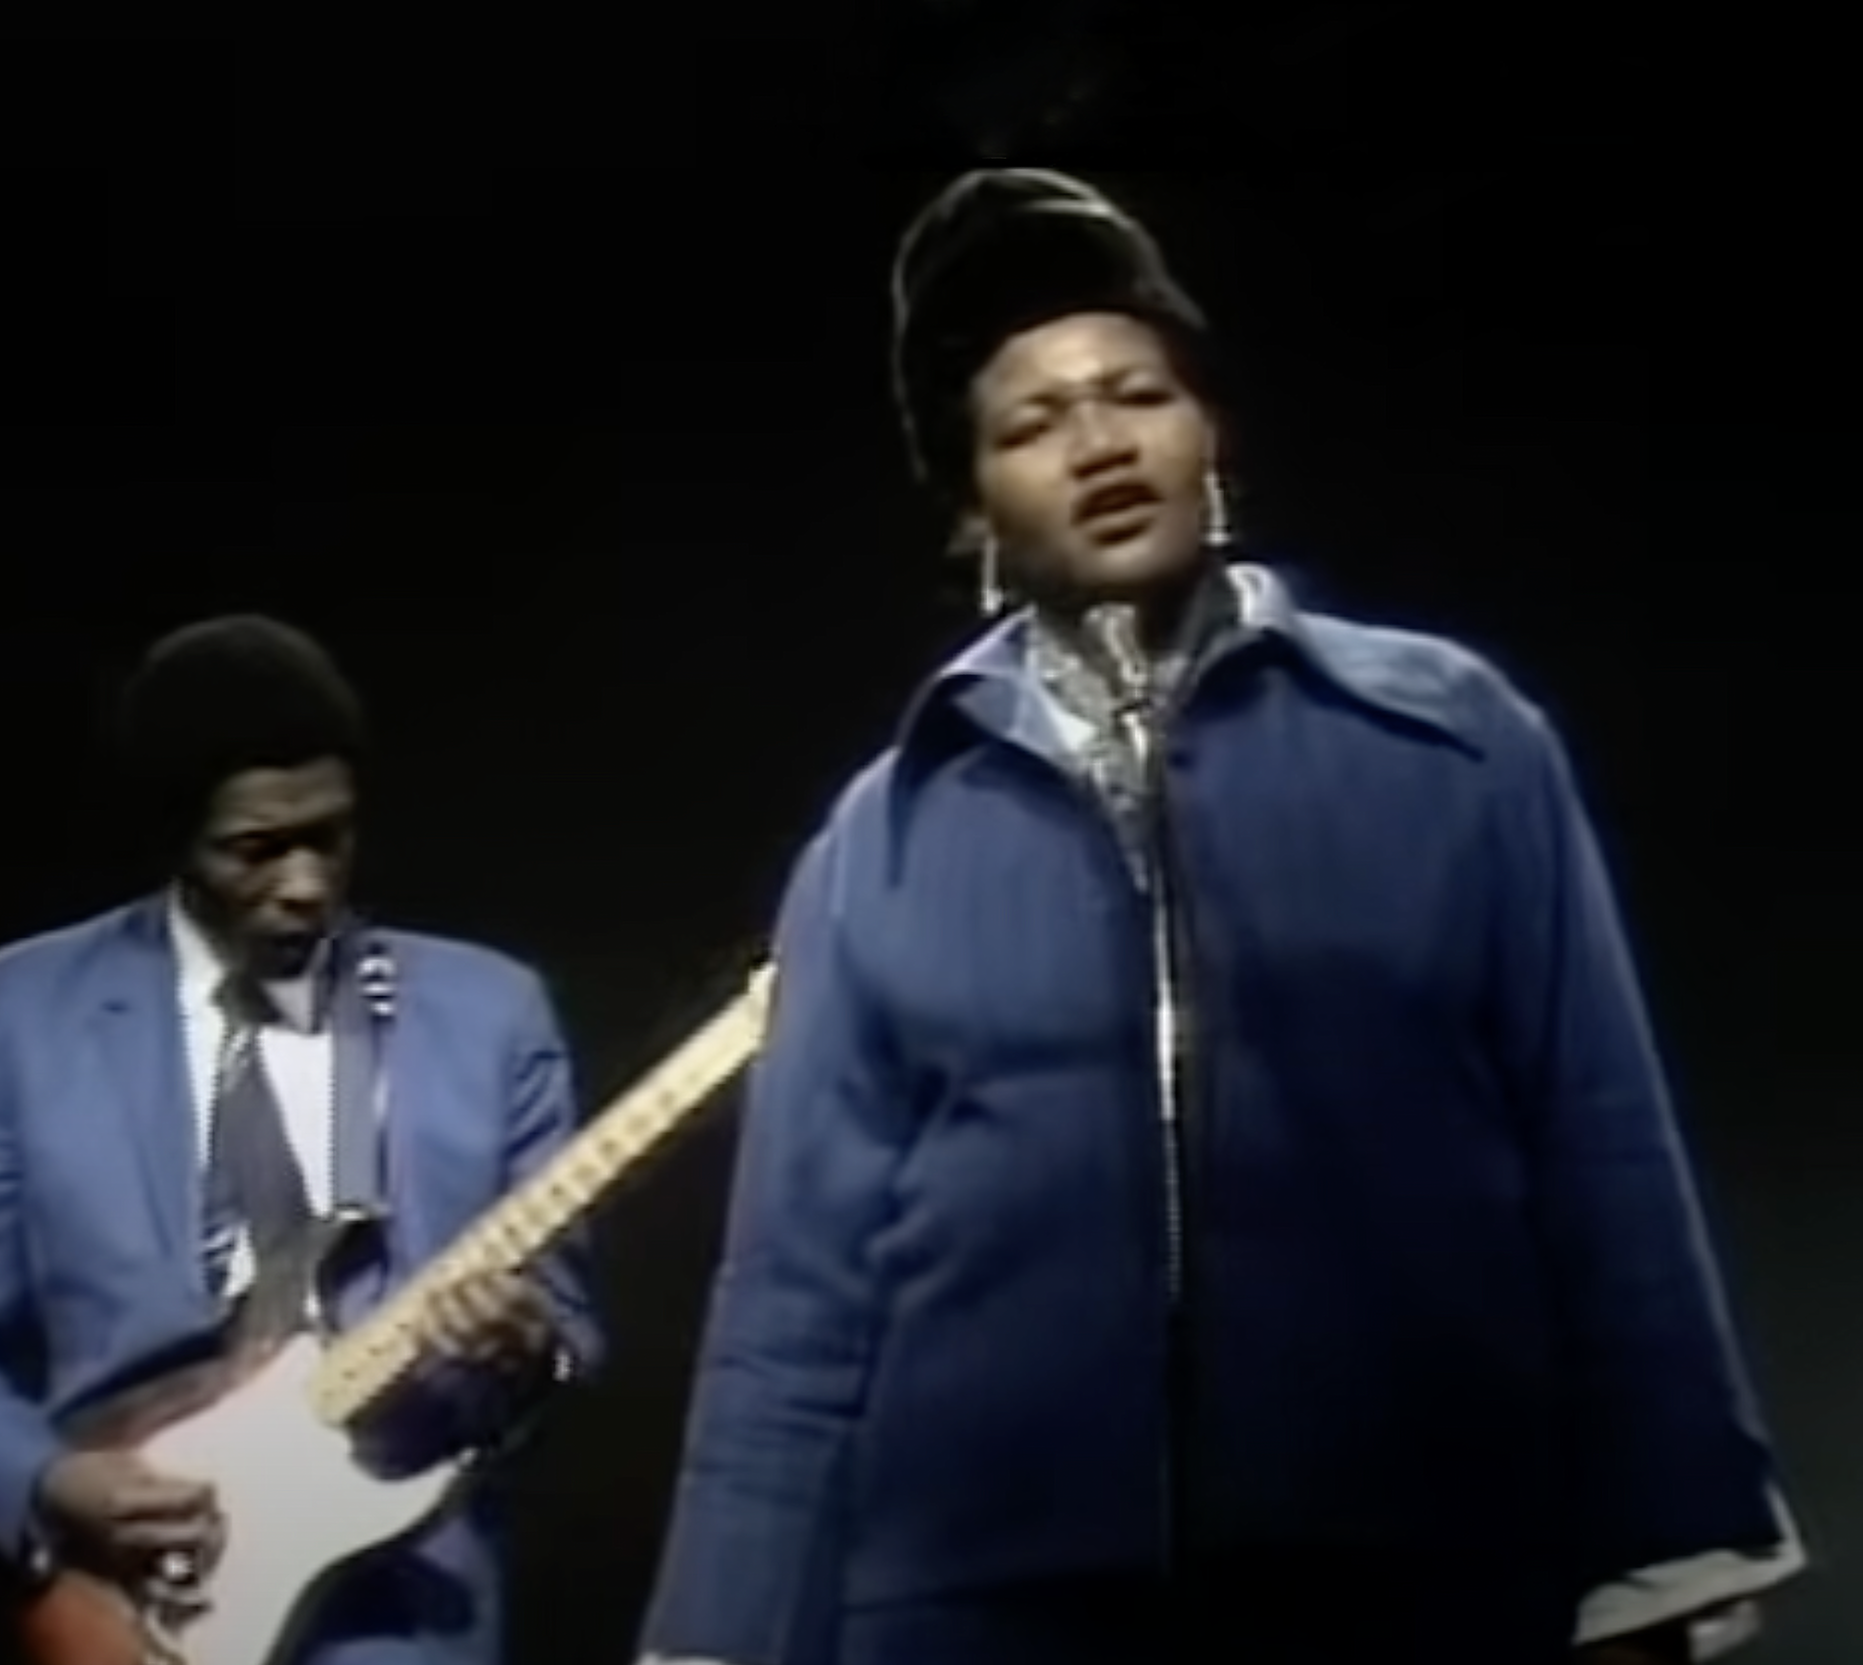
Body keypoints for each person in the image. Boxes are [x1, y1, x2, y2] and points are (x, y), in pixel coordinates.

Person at [639, 170, 1803, 1665]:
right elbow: (793, 1295)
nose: (1099, 444)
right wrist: (723, 1632)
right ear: (971, 504)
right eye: (1031, 423)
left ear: (1210, 434)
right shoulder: (880, 842)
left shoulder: (1452, 742)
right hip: (985, 1607)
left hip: (1413, 1570)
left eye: (1138, 394)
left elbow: (1598, 1145)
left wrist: (1662, 1554)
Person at [0, 615, 600, 1665]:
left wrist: (529, 1349)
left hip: (403, 1613)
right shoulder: (27, 1008)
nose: (305, 883)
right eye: (255, 849)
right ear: (174, 839)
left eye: (330, 836)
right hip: (131, 1606)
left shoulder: (492, 1013)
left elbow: (569, 1326)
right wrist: (47, 1482)